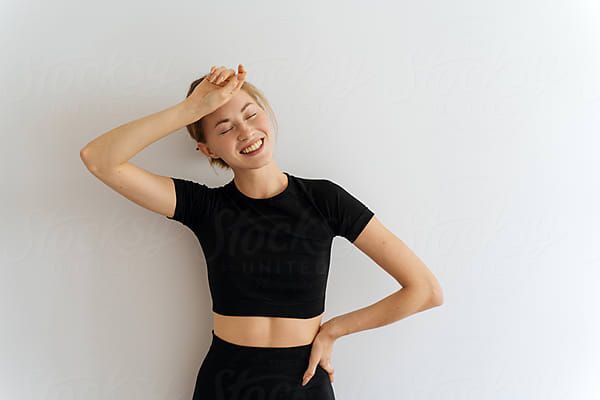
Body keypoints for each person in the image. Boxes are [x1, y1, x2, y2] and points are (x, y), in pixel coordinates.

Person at [80, 64, 444, 399]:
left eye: (251, 114)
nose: (246, 131)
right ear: (207, 149)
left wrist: (334, 330)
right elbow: (99, 159)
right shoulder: (205, 207)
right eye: (225, 127)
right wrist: (189, 110)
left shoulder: (325, 199)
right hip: (226, 382)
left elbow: (425, 290)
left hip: (304, 381)